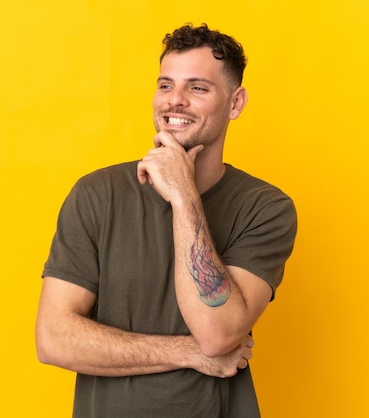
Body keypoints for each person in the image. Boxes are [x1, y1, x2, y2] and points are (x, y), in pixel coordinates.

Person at [35, 23, 297, 418]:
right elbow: (54, 339)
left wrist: (184, 194)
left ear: (235, 103)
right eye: (165, 85)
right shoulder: (96, 194)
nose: (175, 101)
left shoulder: (265, 208)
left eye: (197, 88)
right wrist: (187, 353)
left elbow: (218, 333)